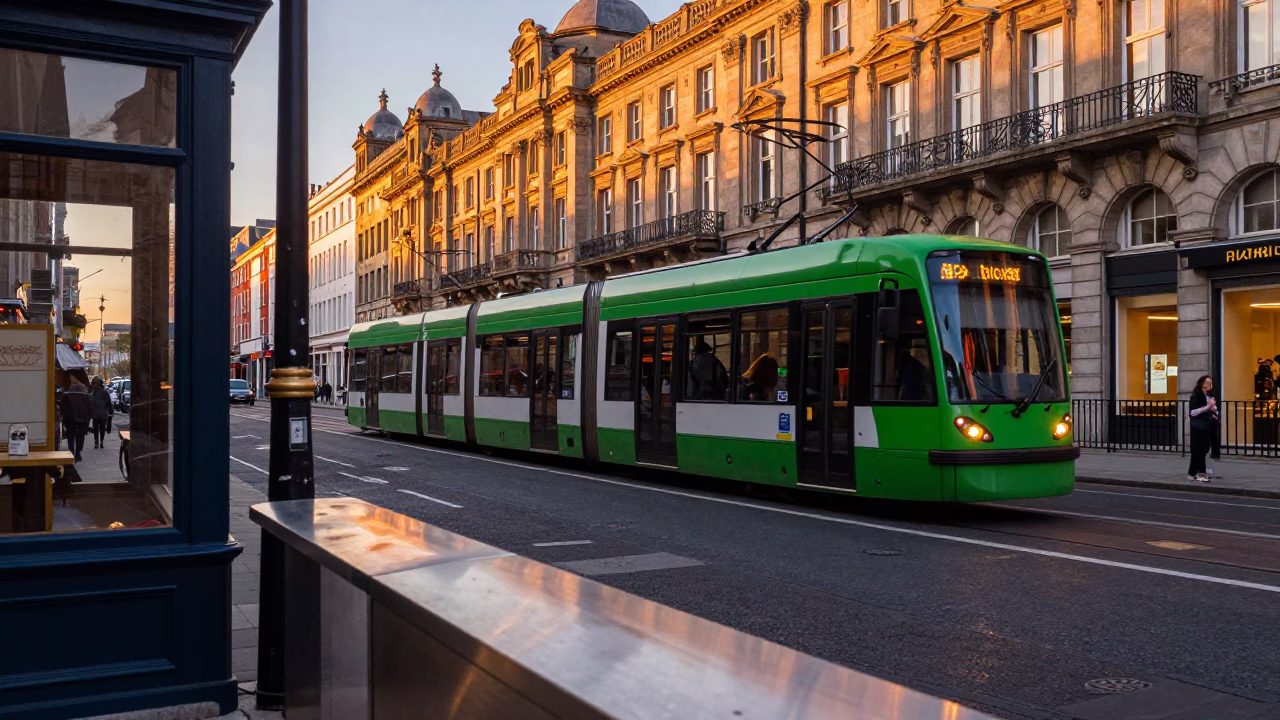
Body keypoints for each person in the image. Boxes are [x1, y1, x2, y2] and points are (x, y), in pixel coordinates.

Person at [1187, 375, 1217, 483]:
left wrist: (1213, 410)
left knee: (1203, 450)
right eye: (1207, 383)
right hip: (1198, 426)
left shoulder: (1207, 396)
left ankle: (1199, 473)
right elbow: (1193, 412)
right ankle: (1194, 473)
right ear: (1201, 383)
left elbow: (1209, 410)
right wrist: (1208, 407)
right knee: (1197, 451)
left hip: (1206, 426)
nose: (1209, 385)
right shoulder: (1195, 396)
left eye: (1211, 383)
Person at [61, 379, 92, 462]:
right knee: (80, 437)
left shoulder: (66, 395)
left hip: (70, 419)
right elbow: (90, 407)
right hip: (82, 420)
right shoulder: (86, 395)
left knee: (70, 436)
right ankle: (78, 454)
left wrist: (63, 415)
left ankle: (71, 453)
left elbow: (62, 407)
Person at [89, 377, 114, 450]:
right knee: (102, 428)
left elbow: (91, 403)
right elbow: (109, 403)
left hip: (95, 413)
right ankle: (101, 442)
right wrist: (110, 411)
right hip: (103, 413)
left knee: (96, 428)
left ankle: (96, 443)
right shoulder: (105, 392)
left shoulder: (93, 392)